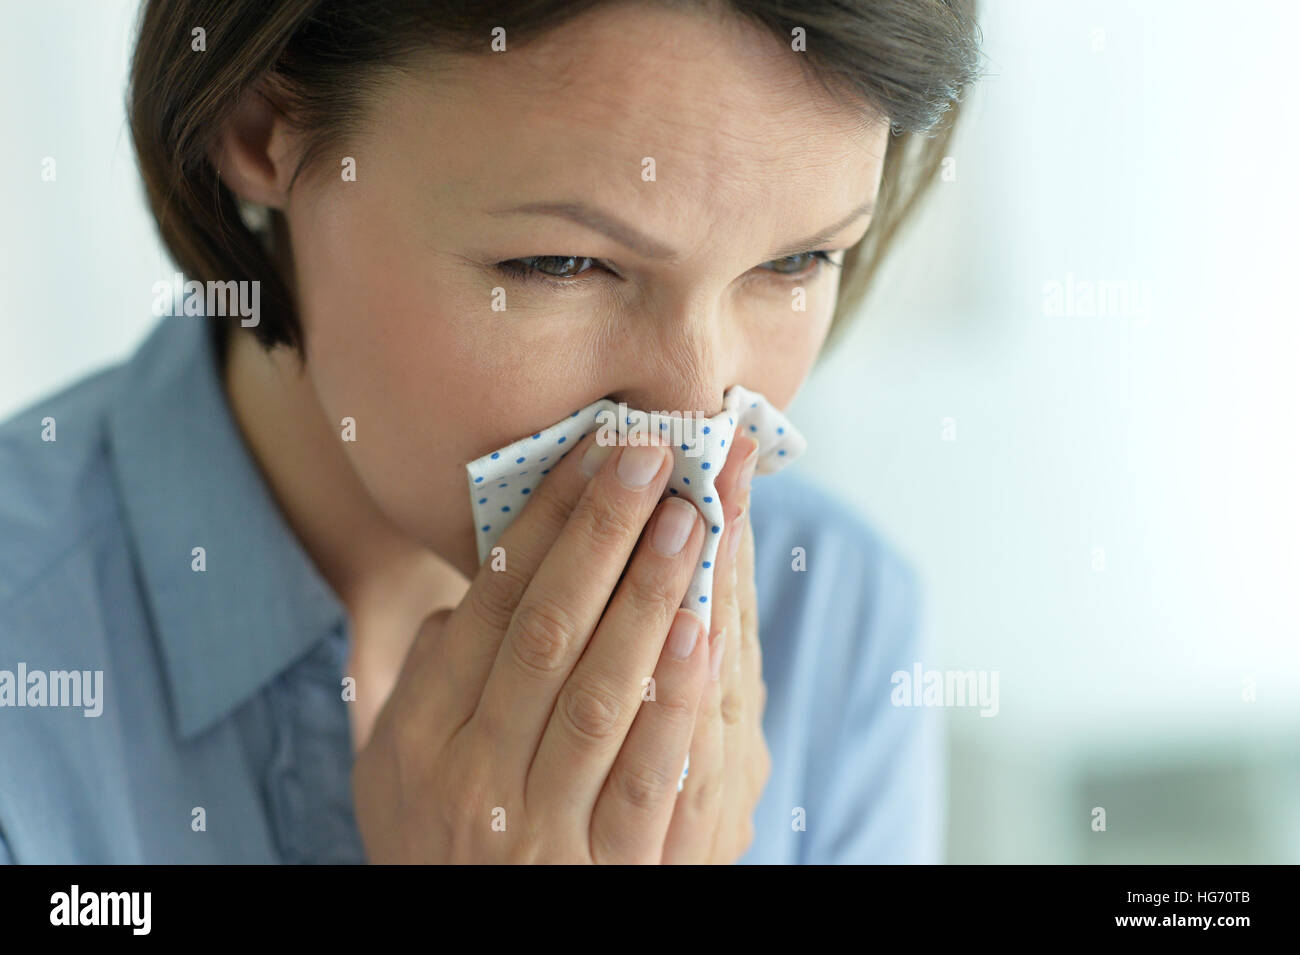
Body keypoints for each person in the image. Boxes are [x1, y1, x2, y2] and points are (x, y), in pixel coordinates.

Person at [0, 0, 980, 863]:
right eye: (562, 264)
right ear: (263, 125)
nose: (695, 413)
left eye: (799, 259)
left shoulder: (839, 624)